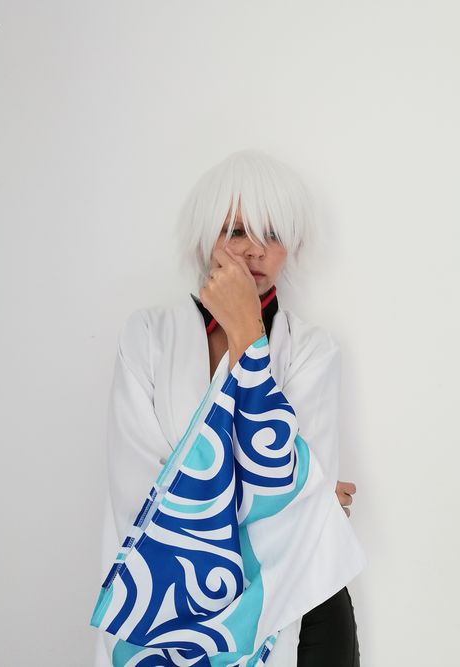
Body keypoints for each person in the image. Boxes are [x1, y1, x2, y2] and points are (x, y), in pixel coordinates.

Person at [92, 149, 367, 666]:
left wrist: (246, 334)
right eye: (237, 230)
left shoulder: (312, 350)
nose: (254, 250)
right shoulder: (148, 338)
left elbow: (307, 513)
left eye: (273, 234)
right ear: (205, 238)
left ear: (293, 246)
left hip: (292, 618)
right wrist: (299, 498)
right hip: (159, 618)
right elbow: (139, 498)